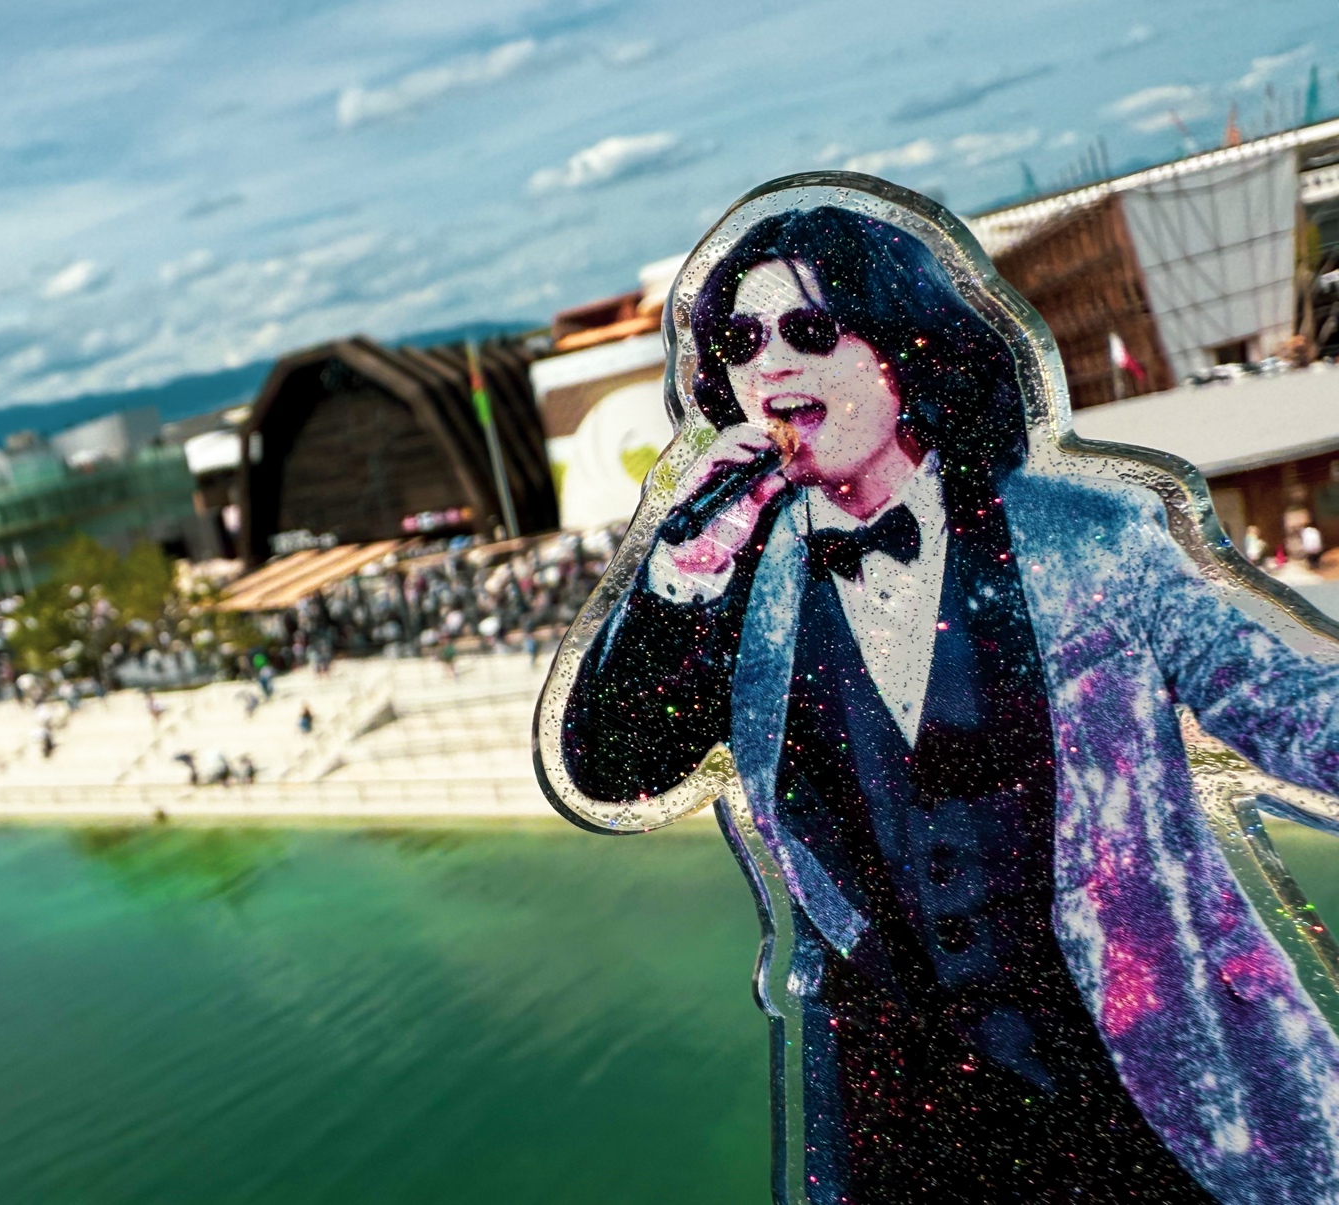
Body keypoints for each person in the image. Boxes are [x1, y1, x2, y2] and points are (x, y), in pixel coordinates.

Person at [547, 194, 1339, 1203]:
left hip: (1145, 1085)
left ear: (899, 345)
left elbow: (1281, 702)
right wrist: (680, 576)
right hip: (904, 1127)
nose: (771, 366)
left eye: (809, 330)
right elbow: (612, 768)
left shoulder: (1090, 536)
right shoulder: (737, 590)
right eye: (742, 342)